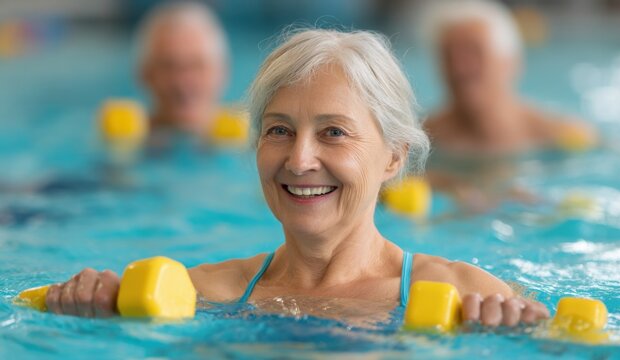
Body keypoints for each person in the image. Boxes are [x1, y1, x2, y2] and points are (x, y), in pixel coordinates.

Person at [45, 29, 549, 327]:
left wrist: (508, 338)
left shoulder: (467, 295)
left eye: (333, 132)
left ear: (394, 157)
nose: (300, 159)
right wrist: (88, 303)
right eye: (279, 130)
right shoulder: (206, 291)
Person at [420, 0, 596, 211]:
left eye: (474, 52)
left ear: (510, 61)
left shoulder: (560, 136)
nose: (460, 67)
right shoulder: (420, 141)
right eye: (449, 55)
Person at [137, 1, 229, 138]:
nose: (183, 82)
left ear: (221, 72)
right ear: (145, 74)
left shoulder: (250, 145)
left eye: (197, 66)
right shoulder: (120, 145)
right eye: (169, 66)